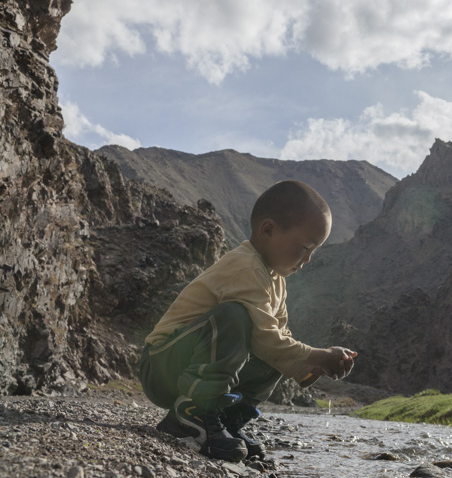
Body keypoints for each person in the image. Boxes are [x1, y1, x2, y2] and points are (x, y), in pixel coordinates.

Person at [139, 180, 357, 462]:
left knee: (279, 347)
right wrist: (318, 355)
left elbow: (278, 341)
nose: (308, 260)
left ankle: (224, 421)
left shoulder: (275, 279)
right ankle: (193, 413)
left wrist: (316, 364)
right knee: (236, 316)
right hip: (160, 366)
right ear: (268, 230)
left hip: (183, 367)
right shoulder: (245, 267)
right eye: (304, 247)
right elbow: (265, 338)